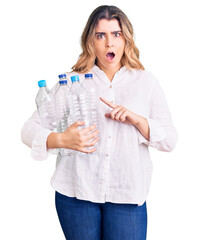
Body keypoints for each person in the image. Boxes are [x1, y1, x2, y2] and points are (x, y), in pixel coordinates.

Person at [21, 5, 178, 240]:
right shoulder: (72, 83)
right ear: (90, 42)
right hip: (75, 195)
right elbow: (28, 130)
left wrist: (138, 120)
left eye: (116, 34)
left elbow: (170, 140)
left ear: (126, 39)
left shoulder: (146, 83)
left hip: (127, 197)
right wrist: (62, 139)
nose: (109, 43)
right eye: (100, 35)